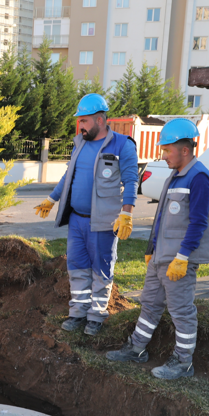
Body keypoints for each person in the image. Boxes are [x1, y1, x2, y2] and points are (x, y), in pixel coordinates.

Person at [106, 118, 209, 380]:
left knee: (181, 311)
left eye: (167, 150)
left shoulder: (199, 178)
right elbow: (161, 218)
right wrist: (151, 247)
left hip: (178, 261)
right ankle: (137, 348)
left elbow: (199, 222)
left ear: (185, 150)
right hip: (160, 258)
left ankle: (183, 363)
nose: (163, 155)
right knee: (150, 305)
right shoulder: (175, 175)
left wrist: (183, 257)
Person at [33, 93, 139, 336]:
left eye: (84, 121)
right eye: (79, 121)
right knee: (77, 267)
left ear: (99, 120)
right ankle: (78, 312)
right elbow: (68, 176)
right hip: (77, 220)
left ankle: (97, 315)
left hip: (103, 222)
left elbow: (132, 181)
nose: (80, 126)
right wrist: (52, 198)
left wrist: (127, 213)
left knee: (101, 269)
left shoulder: (123, 145)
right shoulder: (79, 143)